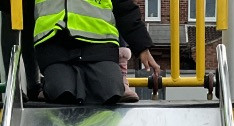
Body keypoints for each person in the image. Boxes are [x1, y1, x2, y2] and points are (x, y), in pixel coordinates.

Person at [32, 0, 161, 106]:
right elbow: (25, 16)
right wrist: (32, 82)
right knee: (62, 92)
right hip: (57, 49)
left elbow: (124, 9)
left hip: (99, 46)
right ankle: (51, 85)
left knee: (110, 91)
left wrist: (142, 48)